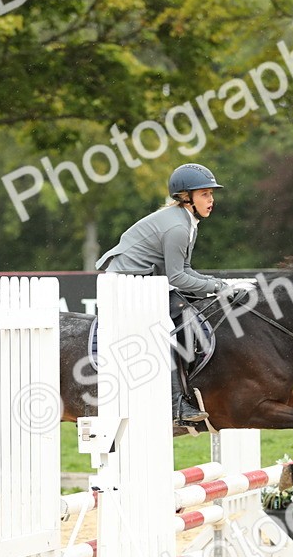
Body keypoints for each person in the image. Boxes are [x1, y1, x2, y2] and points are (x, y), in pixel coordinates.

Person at [96, 163, 236, 427]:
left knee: (191, 312)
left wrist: (214, 284)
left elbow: (185, 270)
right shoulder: (178, 228)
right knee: (168, 329)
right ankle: (176, 405)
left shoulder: (187, 222)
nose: (211, 200)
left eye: (211, 194)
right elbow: (176, 278)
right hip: (127, 285)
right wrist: (217, 286)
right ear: (186, 197)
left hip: (146, 282)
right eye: (204, 194)